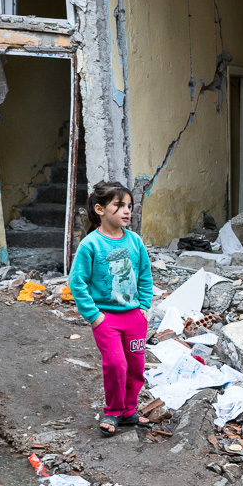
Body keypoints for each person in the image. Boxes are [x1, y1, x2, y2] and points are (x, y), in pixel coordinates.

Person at [68, 181, 153, 437]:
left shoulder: (135, 241)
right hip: (107, 319)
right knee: (116, 365)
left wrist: (145, 307)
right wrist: (94, 316)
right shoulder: (90, 245)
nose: (127, 211)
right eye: (119, 206)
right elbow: (77, 282)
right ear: (100, 209)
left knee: (136, 366)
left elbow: (145, 274)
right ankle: (113, 411)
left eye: (129, 206)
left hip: (135, 317)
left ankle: (129, 411)